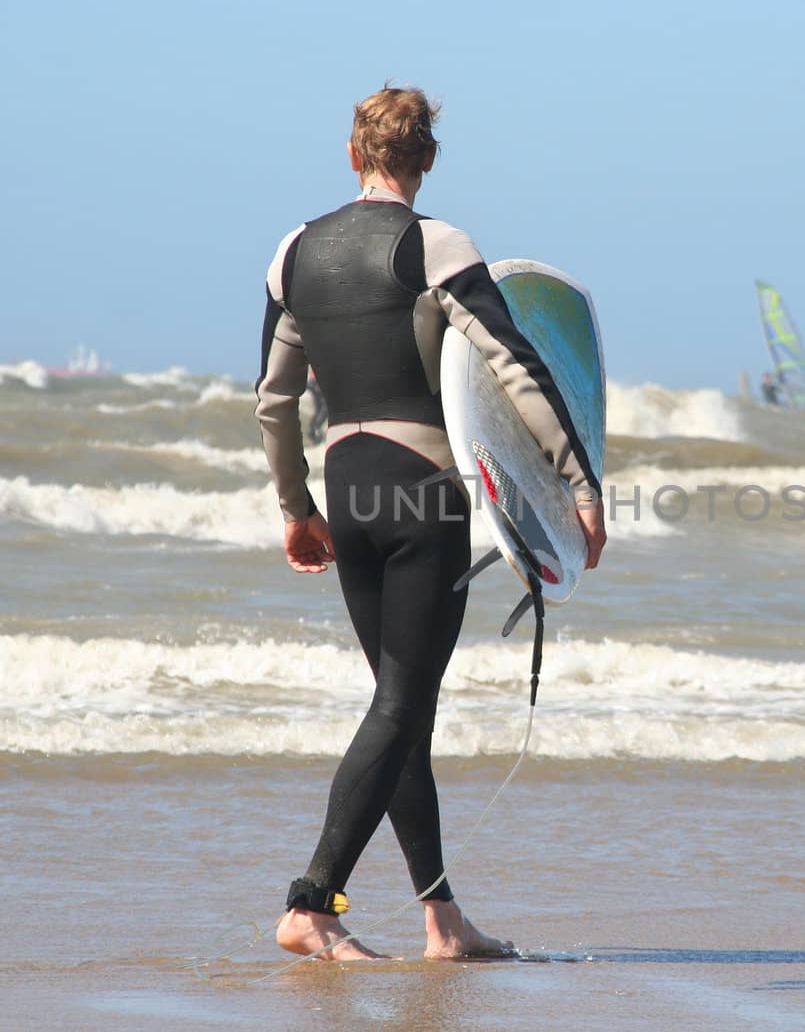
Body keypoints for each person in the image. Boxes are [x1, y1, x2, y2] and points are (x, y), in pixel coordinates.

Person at [254, 85, 606, 961]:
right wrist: (580, 483)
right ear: (427, 160)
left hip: (348, 484)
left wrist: (297, 509)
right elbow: (515, 368)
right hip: (422, 487)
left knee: (396, 704)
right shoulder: (436, 245)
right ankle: (311, 903)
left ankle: (441, 920)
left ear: (352, 154)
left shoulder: (293, 253)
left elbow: (273, 400)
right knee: (404, 703)